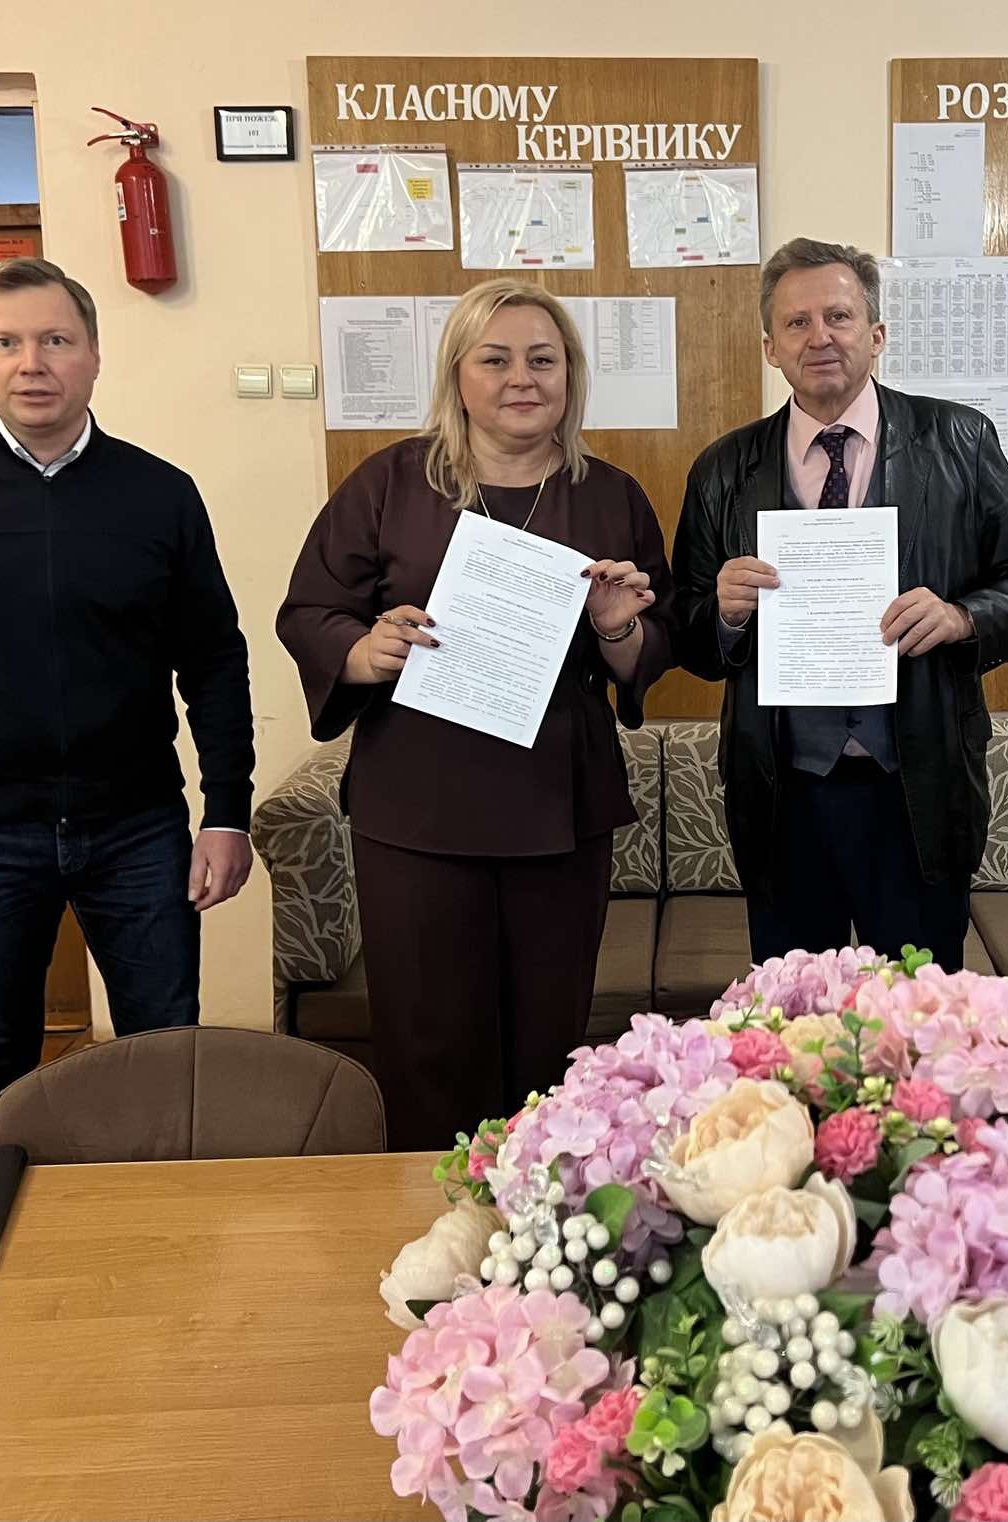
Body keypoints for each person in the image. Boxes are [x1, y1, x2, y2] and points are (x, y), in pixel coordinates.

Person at [0, 257, 255, 1100]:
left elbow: (214, 660)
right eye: (6, 343)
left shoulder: (161, 494)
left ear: (93, 355)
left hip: (137, 828)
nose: (32, 364)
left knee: (166, 1053)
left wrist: (226, 813)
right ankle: (5, 1191)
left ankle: (160, 1192)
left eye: (56, 341)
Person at [278, 277, 674, 1151]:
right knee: (427, 1042)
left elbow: (651, 646)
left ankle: (538, 1210)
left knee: (549, 1041)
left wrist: (618, 627)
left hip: (558, 808)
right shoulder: (388, 483)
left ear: (570, 375)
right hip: (416, 810)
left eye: (543, 359)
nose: (520, 378)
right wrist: (364, 651)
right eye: (495, 360)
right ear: (458, 375)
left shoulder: (610, 494)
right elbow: (308, 611)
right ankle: (424, 1213)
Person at [673, 237, 1008, 970]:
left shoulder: (959, 440)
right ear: (770, 348)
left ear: (876, 334)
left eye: (839, 316)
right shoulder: (723, 468)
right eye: (797, 323)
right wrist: (721, 614)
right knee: (794, 1019)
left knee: (919, 1018)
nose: (819, 336)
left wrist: (962, 617)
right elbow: (685, 632)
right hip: (782, 794)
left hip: (917, 786)